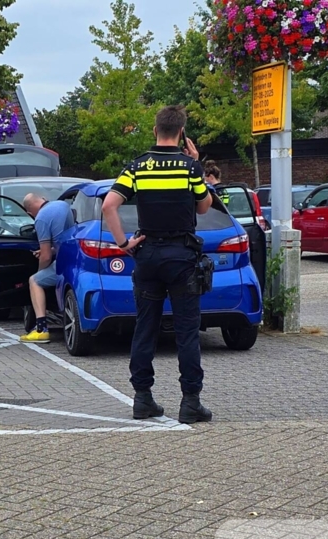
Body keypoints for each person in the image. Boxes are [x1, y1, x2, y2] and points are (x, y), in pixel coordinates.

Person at [101, 105, 214, 424]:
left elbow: (109, 204)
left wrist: (123, 243)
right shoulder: (189, 167)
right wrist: (197, 165)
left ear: (155, 130)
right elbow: (204, 207)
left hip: (147, 255)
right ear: (181, 133)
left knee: (145, 327)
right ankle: (190, 402)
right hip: (182, 256)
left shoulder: (137, 166)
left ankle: (143, 398)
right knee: (187, 331)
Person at [19, 193, 75, 343]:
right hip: (75, 258)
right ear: (43, 198)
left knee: (35, 281)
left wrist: (40, 272)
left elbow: (45, 258)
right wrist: (50, 249)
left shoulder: (41, 218)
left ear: (29, 213)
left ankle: (41, 329)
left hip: (63, 263)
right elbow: (61, 241)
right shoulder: (62, 205)